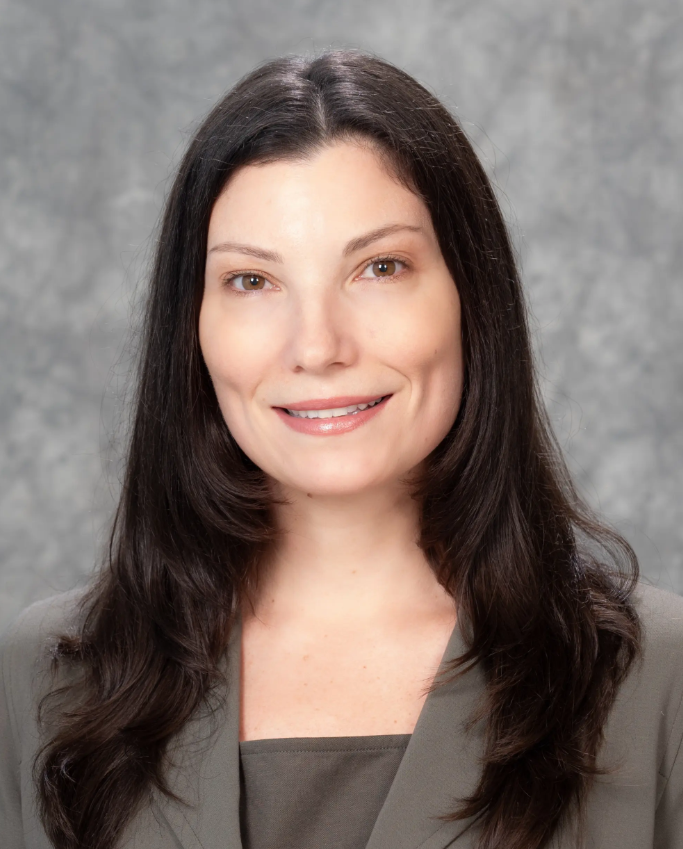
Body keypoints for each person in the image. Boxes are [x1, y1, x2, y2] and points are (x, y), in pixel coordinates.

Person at [1, 48, 681, 849]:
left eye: (379, 267)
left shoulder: (651, 680)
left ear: (471, 297)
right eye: (252, 281)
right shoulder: (44, 681)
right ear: (193, 329)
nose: (317, 346)